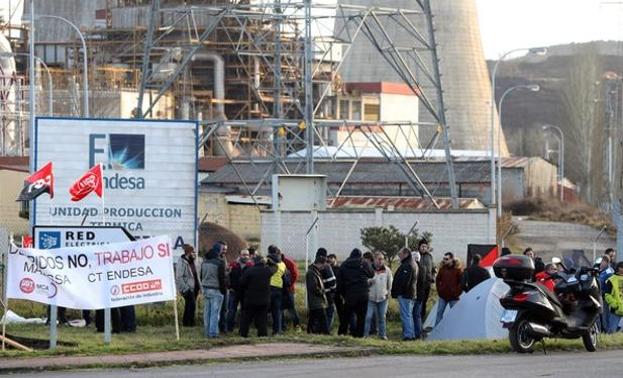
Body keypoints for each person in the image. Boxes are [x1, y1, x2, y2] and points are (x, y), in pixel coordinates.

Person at [336, 248, 374, 337]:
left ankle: (342, 332)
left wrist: (343, 294)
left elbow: (339, 281)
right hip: (363, 294)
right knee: (361, 317)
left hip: (350, 294)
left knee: (346, 315)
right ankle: (359, 335)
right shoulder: (364, 263)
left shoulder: (344, 264)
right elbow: (371, 274)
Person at [239, 255, 277, 337]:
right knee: (262, 319)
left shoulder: (249, 271)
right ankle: (262, 335)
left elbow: (241, 282)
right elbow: (275, 267)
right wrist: (269, 261)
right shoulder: (267, 271)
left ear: (254, 262)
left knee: (246, 318)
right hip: (264, 300)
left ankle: (243, 334)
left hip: (250, 299)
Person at [200, 243, 227, 338]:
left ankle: (207, 332)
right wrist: (223, 291)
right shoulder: (220, 263)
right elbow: (222, 278)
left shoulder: (204, 263)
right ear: (218, 251)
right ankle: (213, 333)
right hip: (216, 289)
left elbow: (201, 276)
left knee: (207, 312)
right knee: (215, 313)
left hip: (206, 288)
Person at [364, 252, 392, 339]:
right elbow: (363, 280)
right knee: (368, 316)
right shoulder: (368, 269)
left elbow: (390, 282)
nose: (381, 261)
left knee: (382, 317)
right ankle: (365, 335)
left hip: (383, 297)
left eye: (382, 259)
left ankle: (382, 335)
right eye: (379, 259)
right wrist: (368, 282)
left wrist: (388, 292)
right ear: (375, 259)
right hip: (370, 297)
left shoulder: (387, 270)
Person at [391, 247, 417, 340]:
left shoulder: (407, 265)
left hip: (405, 294)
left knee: (405, 315)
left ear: (406, 254)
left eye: (400, 254)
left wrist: (399, 292)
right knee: (409, 315)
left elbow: (404, 282)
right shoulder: (411, 263)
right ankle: (412, 334)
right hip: (409, 294)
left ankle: (408, 335)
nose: (399, 256)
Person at [226, 249, 253, 332]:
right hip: (234, 291)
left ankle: (242, 329)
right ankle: (229, 328)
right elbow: (227, 276)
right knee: (231, 311)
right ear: (240, 255)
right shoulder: (233, 264)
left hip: (245, 292)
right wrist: (229, 286)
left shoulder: (251, 265)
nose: (245, 256)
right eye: (243, 255)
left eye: (247, 255)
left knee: (244, 311)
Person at [175, 244, 200, 327]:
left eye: (195, 252)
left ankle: (186, 324)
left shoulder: (195, 262)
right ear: (188, 253)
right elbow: (179, 277)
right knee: (191, 305)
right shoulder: (181, 262)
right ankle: (190, 324)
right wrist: (186, 288)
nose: (195, 254)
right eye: (193, 252)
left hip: (195, 288)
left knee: (189, 305)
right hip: (187, 288)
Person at [435, 252, 463, 326]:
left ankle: (455, 332)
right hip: (443, 296)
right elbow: (437, 280)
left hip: (453, 297)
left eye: (446, 259)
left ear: (451, 259)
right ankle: (436, 333)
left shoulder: (457, 270)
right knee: (439, 314)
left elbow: (462, 282)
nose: (444, 260)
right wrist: (439, 290)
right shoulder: (442, 269)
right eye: (444, 259)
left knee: (455, 315)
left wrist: (457, 292)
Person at [306, 255, 329, 334]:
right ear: (319, 263)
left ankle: (310, 332)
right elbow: (314, 287)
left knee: (313, 317)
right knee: (322, 318)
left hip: (316, 300)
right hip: (316, 300)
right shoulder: (311, 273)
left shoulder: (314, 272)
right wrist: (323, 291)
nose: (323, 268)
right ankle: (326, 333)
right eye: (323, 266)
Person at [267, 245, 286, 336]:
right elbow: (286, 277)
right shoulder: (282, 264)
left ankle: (263, 330)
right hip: (278, 288)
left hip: (268, 287)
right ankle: (277, 331)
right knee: (277, 311)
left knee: (263, 310)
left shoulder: (267, 261)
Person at [317, 249, 337, 331]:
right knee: (330, 311)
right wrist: (333, 290)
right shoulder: (326, 266)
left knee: (320, 313)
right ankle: (326, 330)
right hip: (328, 293)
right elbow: (332, 282)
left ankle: (318, 330)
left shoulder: (314, 266)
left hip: (318, 293)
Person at [281, 251, 301, 332]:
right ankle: (283, 326)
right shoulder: (277, 262)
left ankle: (297, 325)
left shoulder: (289, 263)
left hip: (289, 290)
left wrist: (289, 284)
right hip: (280, 289)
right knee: (280, 309)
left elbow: (295, 275)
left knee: (291, 308)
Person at [328, 253, 346, 334]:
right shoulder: (328, 268)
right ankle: (328, 329)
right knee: (330, 311)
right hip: (331, 293)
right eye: (329, 259)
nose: (330, 260)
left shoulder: (340, 268)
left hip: (338, 293)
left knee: (341, 313)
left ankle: (342, 329)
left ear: (335, 259)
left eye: (331, 258)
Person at [418, 239, 435, 321]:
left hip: (427, 283)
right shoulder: (416, 255)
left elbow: (433, 268)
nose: (424, 248)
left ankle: (422, 319)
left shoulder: (429, 256)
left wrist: (433, 277)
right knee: (418, 302)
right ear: (419, 247)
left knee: (424, 302)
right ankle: (417, 319)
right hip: (418, 284)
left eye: (425, 246)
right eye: (422, 246)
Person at [604, 261, 623, 333]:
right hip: (616, 311)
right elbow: (607, 295)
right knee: (612, 331)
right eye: (622, 267)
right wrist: (614, 305)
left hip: (617, 308)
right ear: (618, 268)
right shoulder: (611, 280)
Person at [216, 241, 230, 334]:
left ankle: (223, 328)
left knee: (224, 309)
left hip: (225, 287)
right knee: (218, 309)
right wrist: (228, 272)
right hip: (218, 287)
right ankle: (217, 328)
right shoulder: (216, 259)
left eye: (225, 249)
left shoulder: (224, 258)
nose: (224, 251)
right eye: (223, 249)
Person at [599, 255, 615, 333]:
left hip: (606, 297)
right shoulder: (603, 270)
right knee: (603, 315)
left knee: (606, 315)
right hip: (601, 296)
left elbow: (605, 284)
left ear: (606, 262)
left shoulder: (609, 272)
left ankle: (608, 332)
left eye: (602, 261)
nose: (601, 263)